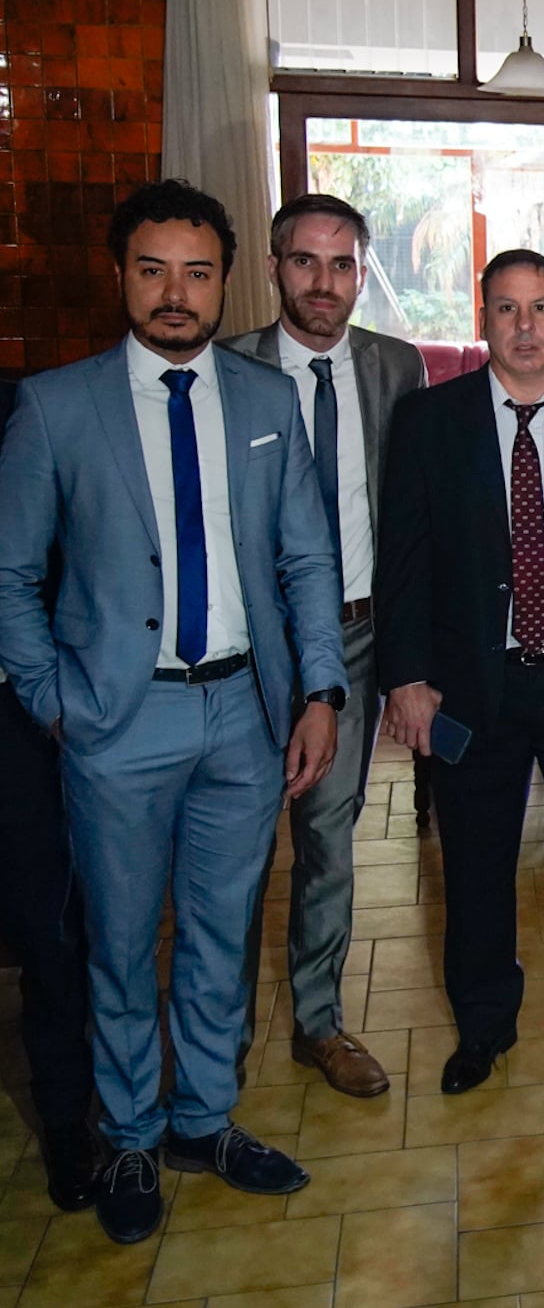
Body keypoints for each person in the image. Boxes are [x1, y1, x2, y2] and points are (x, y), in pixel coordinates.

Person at [0, 180, 345, 1242]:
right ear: (121, 276)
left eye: (197, 272)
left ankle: (202, 1118)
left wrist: (321, 690)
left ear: (224, 280)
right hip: (117, 724)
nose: (176, 293)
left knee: (217, 932)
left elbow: (305, 554)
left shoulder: (264, 402)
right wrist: (60, 703)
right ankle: (133, 1136)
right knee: (116, 942)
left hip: (242, 716)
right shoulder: (56, 408)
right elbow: (8, 577)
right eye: (153, 270)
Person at [376, 249, 544, 1094]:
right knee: (476, 868)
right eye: (506, 309)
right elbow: (405, 560)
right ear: (482, 319)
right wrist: (406, 676)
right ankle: (483, 1029)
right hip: (471, 687)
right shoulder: (430, 420)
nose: (525, 327)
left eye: (541, 309)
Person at [222, 193, 427, 1098]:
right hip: (247, 643)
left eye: (342, 264)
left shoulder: (397, 366)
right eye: (305, 261)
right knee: (228, 848)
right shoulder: (227, 370)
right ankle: (213, 1035)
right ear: (274, 267)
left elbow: (415, 516)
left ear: (360, 272)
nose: (324, 282)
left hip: (355, 636)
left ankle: (319, 1023)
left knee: (329, 840)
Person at [0, 376, 100, 1212]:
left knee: (52, 929)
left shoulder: (28, 408)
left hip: (22, 720)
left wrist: (53, 699)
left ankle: (72, 1125)